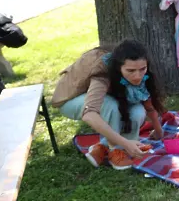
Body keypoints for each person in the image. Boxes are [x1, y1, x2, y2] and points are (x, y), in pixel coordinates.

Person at [51, 40, 166, 170]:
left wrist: (158, 130)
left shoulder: (142, 71)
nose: (137, 76)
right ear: (118, 67)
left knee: (138, 111)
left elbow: (148, 104)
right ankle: (116, 150)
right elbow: (89, 115)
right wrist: (124, 143)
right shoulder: (102, 72)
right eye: (131, 70)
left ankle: (107, 148)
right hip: (71, 100)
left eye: (142, 69)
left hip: (102, 99)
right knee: (110, 105)